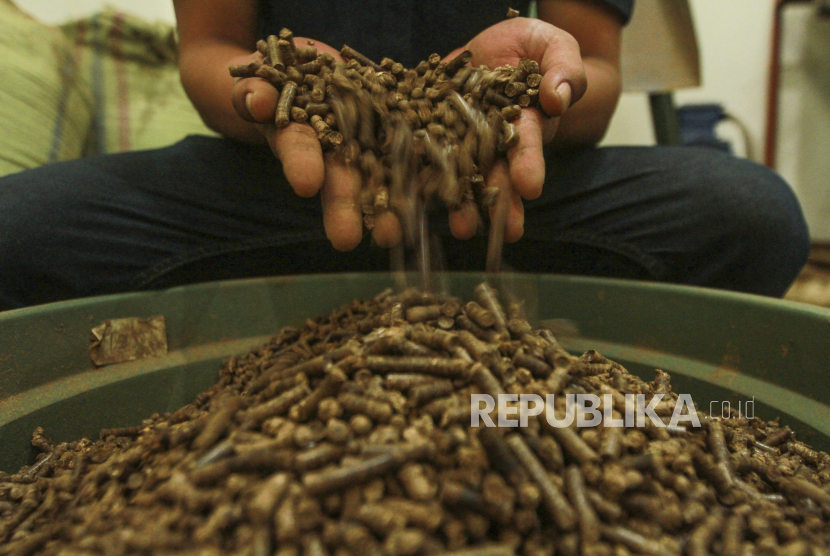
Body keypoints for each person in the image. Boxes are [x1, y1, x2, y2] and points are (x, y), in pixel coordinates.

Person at [0, 0, 810, 310]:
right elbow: (212, 46)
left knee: (752, 215)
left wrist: (542, 93)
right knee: (18, 231)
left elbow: (594, 67)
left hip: (497, 183)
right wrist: (276, 93)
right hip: (282, 176)